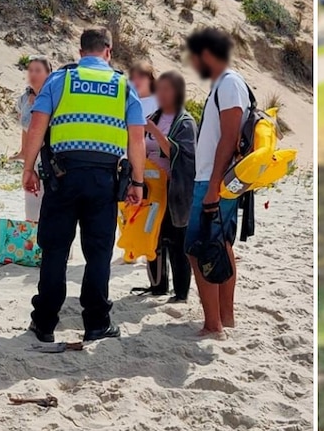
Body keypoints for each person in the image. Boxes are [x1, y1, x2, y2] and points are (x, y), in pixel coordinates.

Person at [22, 27, 145, 343]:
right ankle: (96, 323)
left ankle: (45, 323)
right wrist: (138, 182)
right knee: (99, 252)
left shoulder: (60, 80)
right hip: (105, 180)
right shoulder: (122, 85)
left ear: (80, 52)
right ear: (108, 50)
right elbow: (136, 139)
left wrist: (29, 168)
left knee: (55, 250)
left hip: (63, 176)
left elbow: (37, 126)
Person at [186, 28, 250, 337]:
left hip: (216, 180)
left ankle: (214, 324)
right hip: (217, 179)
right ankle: (225, 317)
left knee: (201, 249)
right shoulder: (224, 85)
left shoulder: (229, 84)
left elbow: (230, 136)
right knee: (219, 245)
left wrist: (212, 185)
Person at [136, 70, 196, 301]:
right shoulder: (154, 116)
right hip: (152, 190)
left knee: (177, 243)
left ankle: (181, 293)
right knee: (153, 238)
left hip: (175, 192)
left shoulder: (185, 122)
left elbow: (182, 154)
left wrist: (155, 134)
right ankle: (158, 286)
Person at [13, 55, 52, 221]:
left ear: (49, 74)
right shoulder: (23, 99)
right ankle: (35, 246)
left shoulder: (55, 97)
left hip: (52, 159)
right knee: (31, 211)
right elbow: (25, 129)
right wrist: (23, 152)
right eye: (30, 70)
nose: (33, 75)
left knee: (53, 211)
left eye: (38, 70)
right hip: (32, 160)